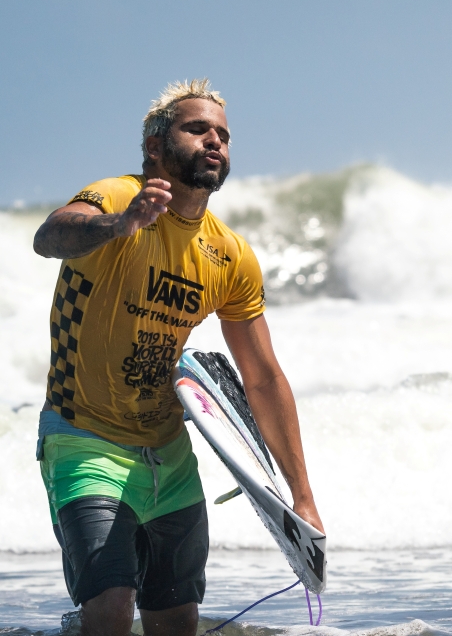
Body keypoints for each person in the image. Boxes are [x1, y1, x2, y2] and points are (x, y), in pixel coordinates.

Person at [32, 79, 324, 636]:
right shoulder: (118, 197)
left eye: (224, 135)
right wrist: (116, 226)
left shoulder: (230, 255)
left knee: (176, 622)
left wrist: (302, 499)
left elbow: (261, 378)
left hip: (169, 451)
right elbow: (50, 236)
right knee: (111, 609)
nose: (215, 141)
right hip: (83, 437)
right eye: (197, 129)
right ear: (155, 147)